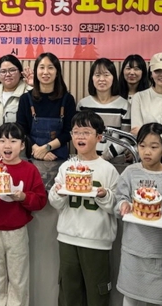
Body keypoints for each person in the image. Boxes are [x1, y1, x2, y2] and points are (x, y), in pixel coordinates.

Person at [48, 111, 120, 306]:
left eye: (86, 132)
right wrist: (59, 193)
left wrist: (104, 195)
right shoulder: (66, 167)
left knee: (97, 292)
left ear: (99, 137)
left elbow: (116, 206)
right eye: (76, 132)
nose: (80, 136)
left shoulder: (108, 170)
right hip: (67, 237)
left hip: (97, 241)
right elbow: (55, 201)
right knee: (69, 290)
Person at [0, 122, 48, 306]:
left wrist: (23, 196)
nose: (7, 145)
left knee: (18, 276)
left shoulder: (29, 170)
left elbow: (40, 201)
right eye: (2, 140)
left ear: (22, 145)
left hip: (17, 231)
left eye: (13, 141)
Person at [114, 122, 162, 306]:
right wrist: (123, 205)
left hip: (161, 252)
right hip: (133, 250)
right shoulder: (130, 172)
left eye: (154, 147)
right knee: (130, 299)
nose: (146, 152)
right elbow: (118, 199)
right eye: (142, 145)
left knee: (161, 300)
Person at [16, 52, 76, 161]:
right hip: (32, 154)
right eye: (42, 67)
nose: (45, 72)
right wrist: (37, 150)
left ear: (57, 72)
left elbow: (69, 132)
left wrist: (46, 148)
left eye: (50, 68)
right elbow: (22, 131)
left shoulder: (67, 99)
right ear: (36, 71)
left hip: (58, 157)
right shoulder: (25, 99)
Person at [77, 58, 131, 161]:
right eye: (97, 75)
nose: (102, 79)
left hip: (115, 162)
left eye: (106, 75)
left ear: (113, 78)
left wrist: (106, 156)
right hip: (86, 161)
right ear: (92, 78)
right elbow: (78, 135)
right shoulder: (83, 105)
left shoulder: (124, 105)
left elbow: (126, 138)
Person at [0, 55, 33, 127]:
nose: (7, 74)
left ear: (20, 73)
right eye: (3, 71)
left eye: (12, 70)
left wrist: (35, 86)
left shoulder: (29, 92)